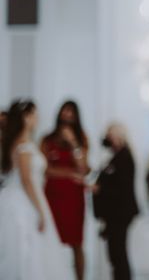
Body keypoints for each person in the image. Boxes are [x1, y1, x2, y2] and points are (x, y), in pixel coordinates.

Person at [0, 100, 73, 279]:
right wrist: (40, 210)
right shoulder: (22, 146)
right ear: (25, 118)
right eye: (34, 115)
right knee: (25, 247)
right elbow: (26, 181)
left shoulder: (25, 143)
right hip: (22, 201)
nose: (37, 118)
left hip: (28, 197)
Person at [41, 100, 90, 280]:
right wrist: (70, 173)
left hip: (74, 198)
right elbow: (45, 169)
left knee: (77, 242)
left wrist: (73, 143)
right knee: (51, 240)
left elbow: (83, 168)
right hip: (53, 196)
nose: (67, 115)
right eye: (65, 111)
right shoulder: (47, 140)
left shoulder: (82, 138)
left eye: (71, 112)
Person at [92, 123, 139, 280]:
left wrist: (100, 189)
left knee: (118, 253)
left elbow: (122, 187)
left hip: (120, 214)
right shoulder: (115, 156)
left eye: (110, 135)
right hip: (113, 214)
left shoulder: (124, 156)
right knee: (115, 254)